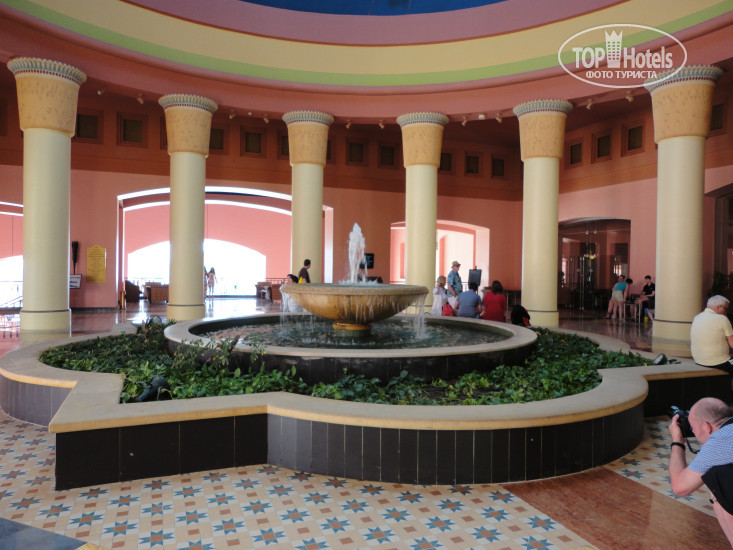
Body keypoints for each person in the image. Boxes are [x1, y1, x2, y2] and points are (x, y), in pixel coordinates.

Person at [668, 397, 733, 545]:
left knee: (716, 479)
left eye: (693, 428)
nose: (693, 433)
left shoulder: (720, 441)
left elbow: (680, 488)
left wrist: (677, 441)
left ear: (706, 427)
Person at [690, 295, 733, 377]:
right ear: (719, 307)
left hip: (699, 361)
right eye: (725, 308)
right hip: (719, 362)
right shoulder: (722, 319)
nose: (725, 311)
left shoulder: (697, 317)